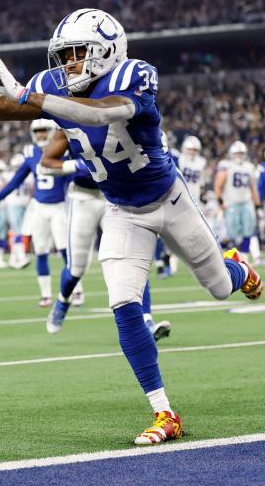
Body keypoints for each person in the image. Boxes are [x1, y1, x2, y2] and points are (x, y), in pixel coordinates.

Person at [0, 8, 262, 445]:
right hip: (121, 209)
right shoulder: (54, 86)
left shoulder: (133, 76)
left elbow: (102, 114)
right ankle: (164, 413)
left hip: (169, 200)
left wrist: (36, 99)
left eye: (77, 54)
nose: (68, 65)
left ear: (106, 52)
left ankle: (240, 270)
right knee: (123, 304)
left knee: (217, 285)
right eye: (64, 56)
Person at [39, 129, 170, 340]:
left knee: (132, 258)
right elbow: (44, 164)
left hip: (115, 197)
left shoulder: (122, 116)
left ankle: (146, 320)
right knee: (77, 268)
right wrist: (76, 165)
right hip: (83, 198)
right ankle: (63, 301)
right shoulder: (70, 122)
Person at [0, 119, 72, 306]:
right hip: (39, 207)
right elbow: (16, 180)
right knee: (41, 251)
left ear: (53, 131)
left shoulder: (66, 150)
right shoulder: (30, 152)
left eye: (45, 131)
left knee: (65, 251)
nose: (41, 135)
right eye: (38, 131)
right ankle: (46, 294)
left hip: (60, 206)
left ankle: (74, 290)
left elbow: (77, 175)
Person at [214, 141, 259, 254]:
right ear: (231, 154)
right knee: (231, 232)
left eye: (241, 153)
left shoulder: (249, 167)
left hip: (246, 202)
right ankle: (233, 256)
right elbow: (218, 185)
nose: (239, 155)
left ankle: (244, 255)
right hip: (231, 203)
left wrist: (257, 204)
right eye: (236, 153)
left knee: (248, 230)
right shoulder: (226, 166)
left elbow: (253, 187)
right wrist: (220, 201)